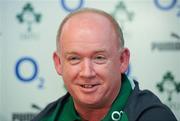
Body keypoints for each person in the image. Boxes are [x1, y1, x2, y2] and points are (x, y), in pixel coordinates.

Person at [32, 8, 177, 121]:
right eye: (74, 58)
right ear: (58, 63)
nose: (87, 73)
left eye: (99, 58)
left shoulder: (153, 116)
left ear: (122, 60)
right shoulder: (46, 118)